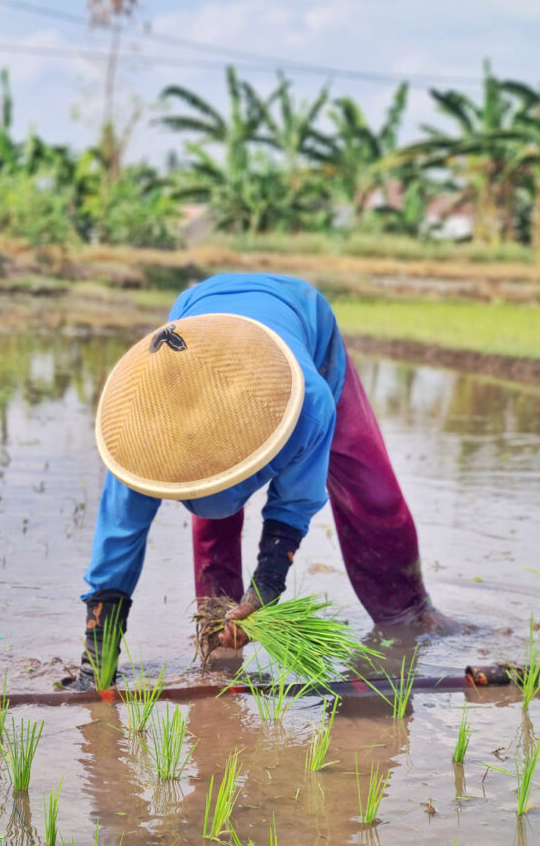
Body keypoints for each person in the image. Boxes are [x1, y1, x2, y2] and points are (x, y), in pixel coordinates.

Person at [68, 273, 457, 690]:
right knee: (214, 526)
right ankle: (219, 635)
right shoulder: (142, 430)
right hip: (199, 324)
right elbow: (119, 533)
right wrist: (96, 658)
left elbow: (295, 502)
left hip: (303, 321)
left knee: (373, 495)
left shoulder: (308, 401)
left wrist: (266, 585)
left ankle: (410, 616)